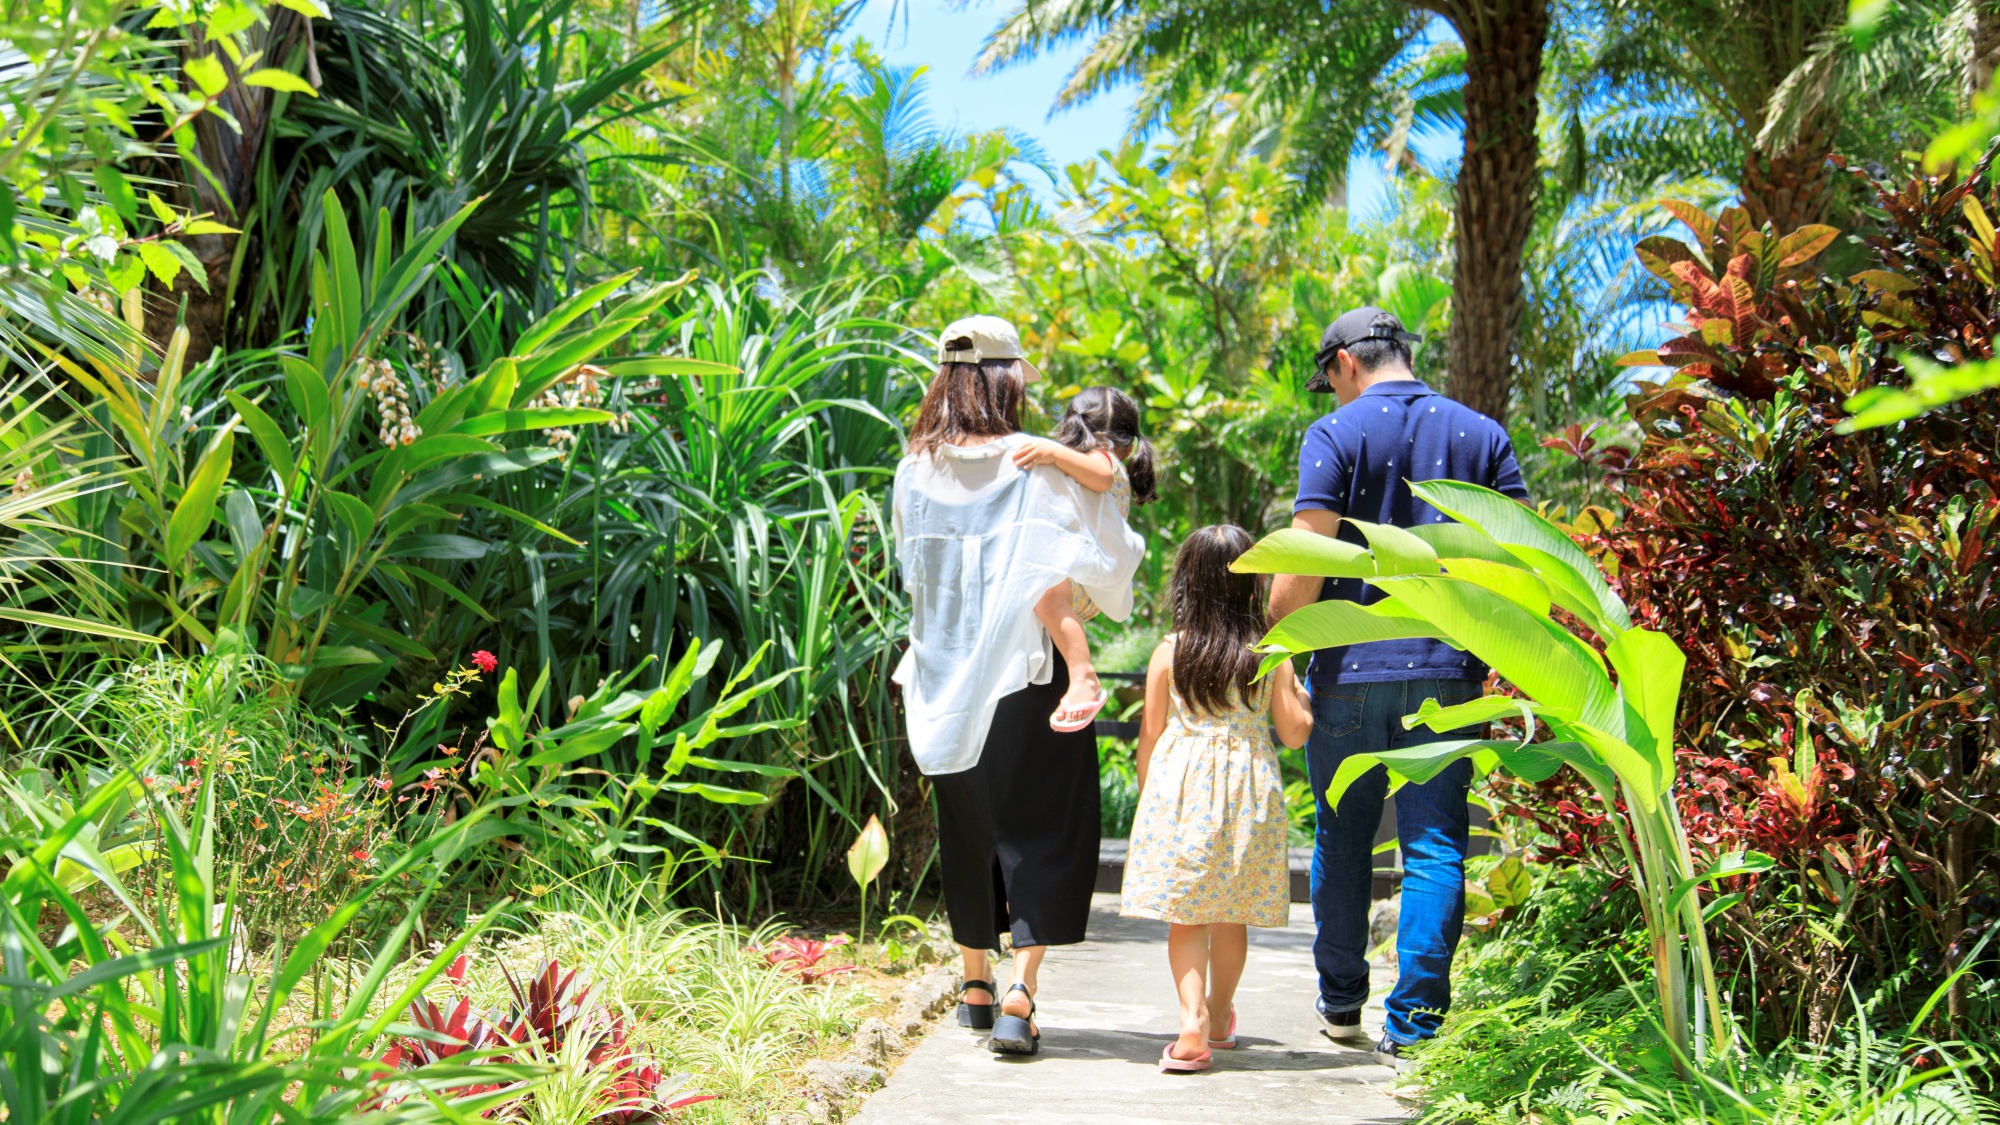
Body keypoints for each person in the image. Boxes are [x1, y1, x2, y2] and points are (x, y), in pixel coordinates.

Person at [1266, 306, 1528, 1067]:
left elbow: (1302, 566)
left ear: (1346, 361)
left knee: (1341, 839)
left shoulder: (1337, 435)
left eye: (1330, 381)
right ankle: (1414, 1028)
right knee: (1436, 844)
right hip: (1448, 673)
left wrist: (1281, 642)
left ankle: (1342, 1004)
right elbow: (1515, 561)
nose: (1333, 394)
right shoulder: (1483, 435)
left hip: (1346, 670)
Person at [891, 315, 1146, 1057]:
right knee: (1041, 831)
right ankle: (1017, 997)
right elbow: (1084, 563)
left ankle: (973, 984)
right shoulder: (1035, 462)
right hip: (1027, 680)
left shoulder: (913, 470)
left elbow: (912, 570)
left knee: (965, 831)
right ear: (1005, 378)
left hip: (939, 682)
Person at [1121, 525, 1313, 1074]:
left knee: (1187, 915)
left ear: (1189, 582)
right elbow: (1295, 732)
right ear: (1252, 585)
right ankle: (1222, 1011)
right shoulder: (1269, 652)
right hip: (1248, 786)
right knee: (1232, 914)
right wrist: (1300, 690)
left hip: (1181, 788)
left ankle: (1192, 1023)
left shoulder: (1170, 652)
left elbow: (1151, 736)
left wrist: (1149, 801)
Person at [1010, 386, 1159, 732]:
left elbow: (1102, 475)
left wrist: (1051, 451)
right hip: (1089, 584)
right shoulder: (1086, 466)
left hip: (1084, 580)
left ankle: (1084, 677)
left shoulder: (1104, 459)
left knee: (1045, 590)